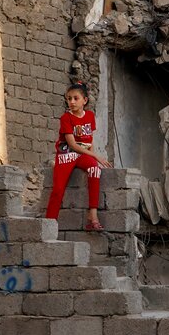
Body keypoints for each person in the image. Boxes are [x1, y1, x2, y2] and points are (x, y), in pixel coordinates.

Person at [44, 81, 111, 231]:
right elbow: (73, 145)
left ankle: (92, 216)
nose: (71, 102)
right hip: (67, 155)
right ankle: (48, 224)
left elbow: (89, 140)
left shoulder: (90, 116)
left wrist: (93, 160)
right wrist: (97, 156)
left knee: (95, 170)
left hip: (82, 155)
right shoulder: (66, 118)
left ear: (84, 100)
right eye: (69, 99)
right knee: (58, 190)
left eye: (75, 98)